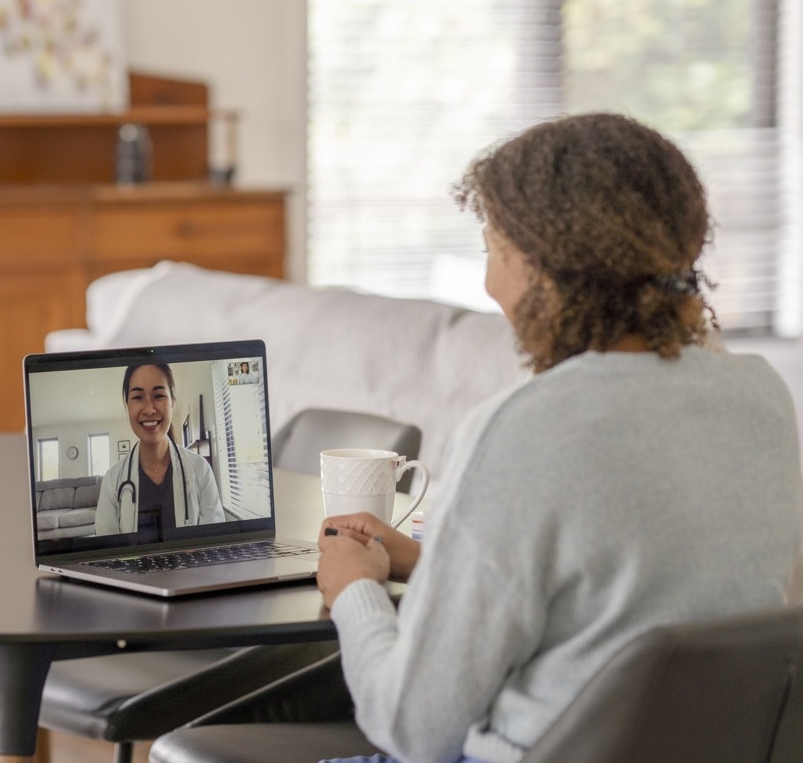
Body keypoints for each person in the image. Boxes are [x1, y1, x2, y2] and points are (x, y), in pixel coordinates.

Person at [317, 113, 803, 763]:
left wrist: (354, 587)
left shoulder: (522, 428)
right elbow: (629, 599)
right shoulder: (762, 399)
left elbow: (413, 728)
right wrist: (440, 565)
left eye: (493, 248)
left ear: (543, 269)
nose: (490, 285)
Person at [95, 362, 224, 536]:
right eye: (138, 397)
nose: (149, 409)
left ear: (172, 403)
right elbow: (106, 555)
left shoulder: (201, 471)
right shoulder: (112, 481)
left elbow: (214, 544)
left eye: (158, 395)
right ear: (127, 406)